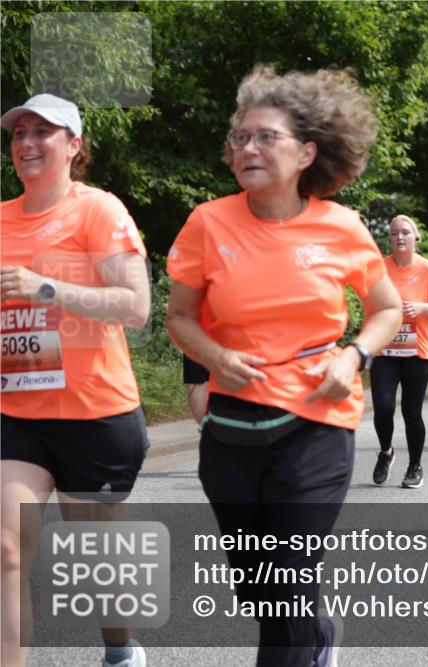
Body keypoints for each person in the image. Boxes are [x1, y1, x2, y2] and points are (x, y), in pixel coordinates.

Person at [165, 65, 401, 666]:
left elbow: (387, 309)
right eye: (240, 138)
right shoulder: (207, 222)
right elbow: (181, 318)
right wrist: (217, 355)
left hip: (316, 423)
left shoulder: (342, 227)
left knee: (289, 582)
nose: (248, 147)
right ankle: (318, 634)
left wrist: (354, 356)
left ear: (306, 153)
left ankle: (304, 642)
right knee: (260, 590)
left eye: (266, 136)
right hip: (232, 429)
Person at [1, 94, 151, 667]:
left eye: (44, 132)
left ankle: (120, 647)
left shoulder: (98, 211)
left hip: (96, 415)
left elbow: (135, 307)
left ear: (74, 146)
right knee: (5, 549)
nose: (27, 143)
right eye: (19, 133)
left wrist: (46, 287)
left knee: (98, 564)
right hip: (18, 417)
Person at [369, 215, 428, 489]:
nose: (399, 237)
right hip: (384, 349)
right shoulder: (378, 268)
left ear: (416, 237)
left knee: (411, 412)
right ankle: (386, 452)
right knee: (382, 407)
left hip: (417, 351)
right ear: (389, 238)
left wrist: (423, 307)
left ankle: (415, 465)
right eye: (394, 233)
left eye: (405, 232)